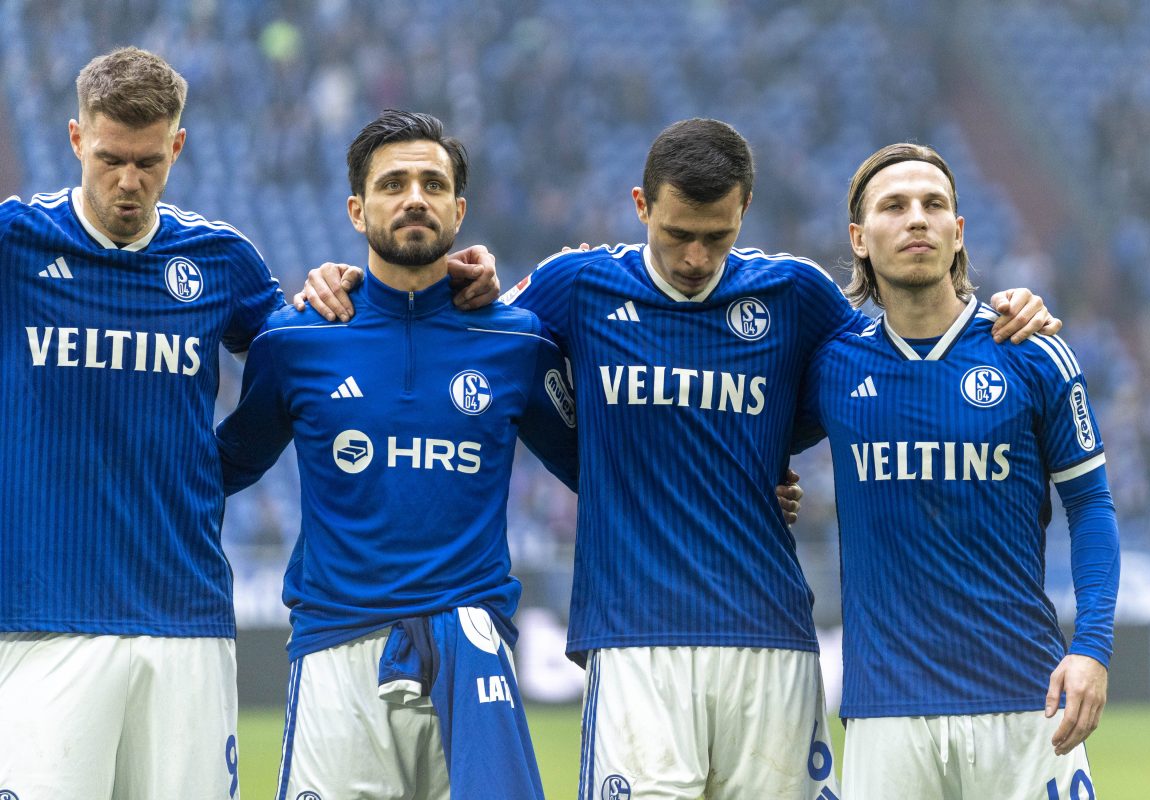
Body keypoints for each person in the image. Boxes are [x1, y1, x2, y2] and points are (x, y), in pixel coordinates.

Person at [300, 118, 1059, 799]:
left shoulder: (795, 293)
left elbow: (895, 363)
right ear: (641, 207)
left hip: (772, 643)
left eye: (717, 237)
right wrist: (343, 282)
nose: (696, 257)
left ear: (744, 214)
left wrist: (999, 312)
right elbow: (470, 333)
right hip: (636, 643)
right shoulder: (576, 285)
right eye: (676, 234)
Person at [0, 48, 496, 800]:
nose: (128, 181)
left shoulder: (220, 261)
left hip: (187, 618)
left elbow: (309, 357)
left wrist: (363, 283)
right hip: (44, 617)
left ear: (178, 146)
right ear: (76, 141)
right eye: (109, 159)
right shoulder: (15, 246)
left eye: (147, 160)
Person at [216, 110, 578, 800]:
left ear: (458, 208)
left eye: (432, 183)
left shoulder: (520, 343)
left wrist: (748, 483)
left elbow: (605, 468)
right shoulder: (294, 341)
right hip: (336, 650)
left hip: (470, 643)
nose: (414, 196)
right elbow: (226, 466)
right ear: (358, 209)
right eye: (393, 184)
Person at [795, 143, 1118, 799]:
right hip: (886, 716)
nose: (917, 218)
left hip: (1026, 703)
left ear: (959, 230)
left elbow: (1091, 508)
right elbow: (744, 443)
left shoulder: (1029, 351)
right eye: (895, 206)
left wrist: (1092, 647)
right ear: (859, 238)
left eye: (934, 204)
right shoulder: (829, 365)